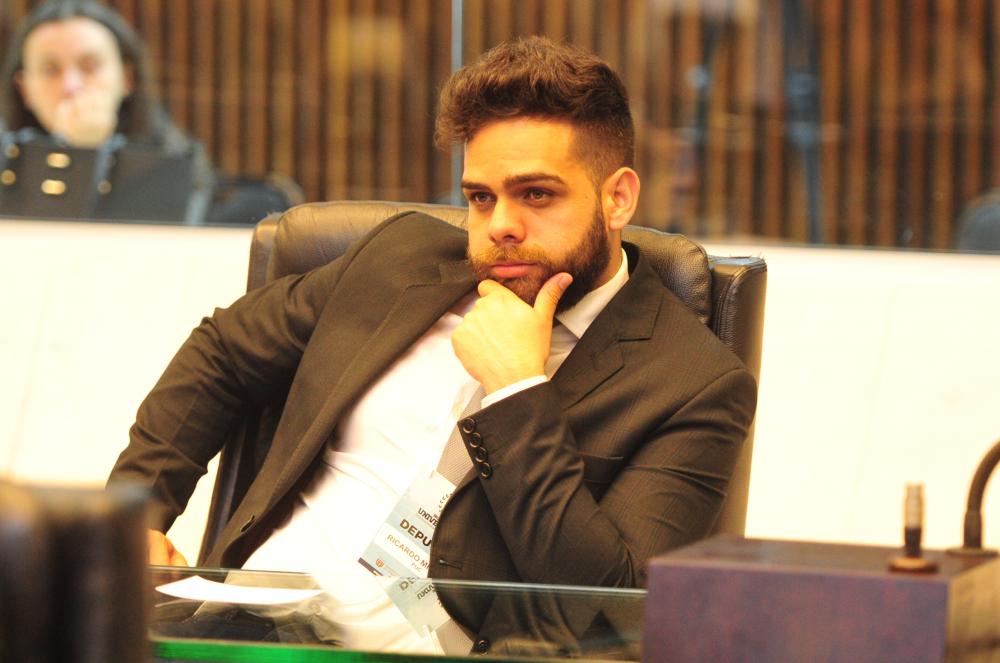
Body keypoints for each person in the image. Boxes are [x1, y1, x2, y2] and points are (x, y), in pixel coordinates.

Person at [109, 37, 756, 593]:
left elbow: (607, 603)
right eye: (481, 197)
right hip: (250, 623)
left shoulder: (692, 385)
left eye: (536, 194)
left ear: (617, 198)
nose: (500, 226)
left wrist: (517, 394)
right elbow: (223, 350)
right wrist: (134, 515)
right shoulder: (401, 261)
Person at [0, 0, 213, 220]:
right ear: (23, 88)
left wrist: (87, 151)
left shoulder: (171, 168)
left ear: (126, 78)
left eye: (90, 66)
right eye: (50, 70)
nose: (71, 86)